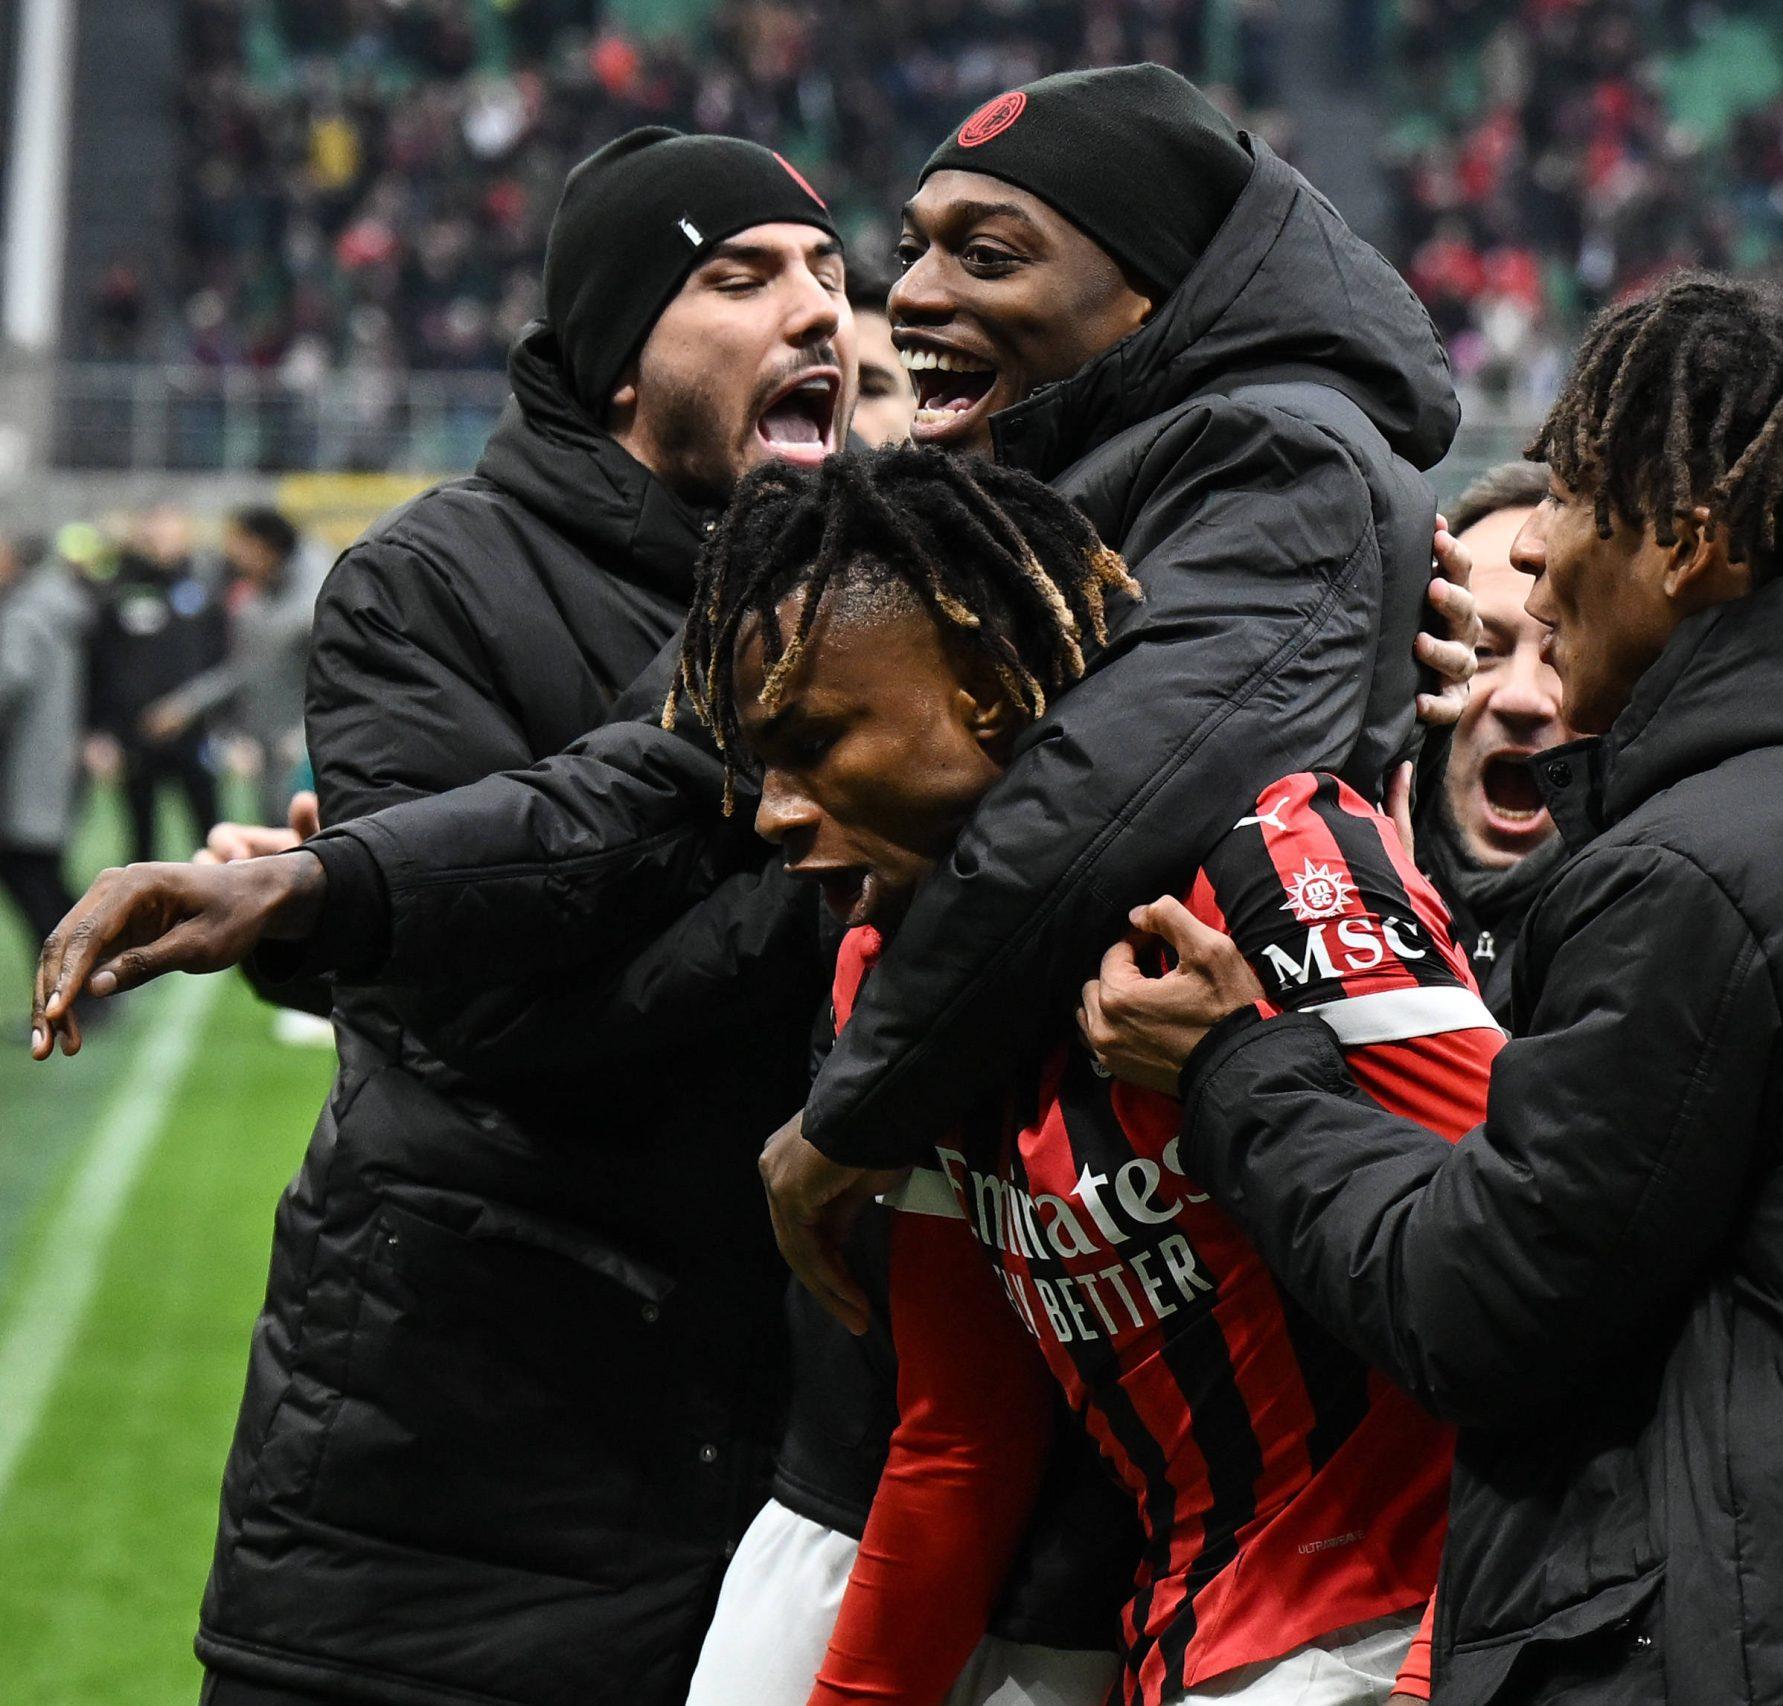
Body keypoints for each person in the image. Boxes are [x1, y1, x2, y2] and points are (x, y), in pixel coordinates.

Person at [33, 65, 1473, 1352]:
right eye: (900, 255)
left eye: (974, 255)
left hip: (1171, 1300)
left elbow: (1087, 809)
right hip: (551, 1380)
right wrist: (327, 887)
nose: (885, 303)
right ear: (612, 356)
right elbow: (632, 798)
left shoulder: (1264, 461)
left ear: (1153, 290)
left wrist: (854, 1104)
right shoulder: (444, 582)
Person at [1082, 273, 1783, 1704]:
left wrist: (1237, 1068)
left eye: (1581, 507)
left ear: (1686, 542)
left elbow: (1475, 1304)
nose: (1541, 561)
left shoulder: (1713, 866)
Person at [175, 128, 854, 1706]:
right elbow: (474, 1006)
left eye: (831, 274)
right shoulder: (425, 585)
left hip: (751, 1482)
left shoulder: (874, 588)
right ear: (618, 363)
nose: (817, 310)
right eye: (742, 277)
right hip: (438, 1507)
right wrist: (827, 881)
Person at [684, 447, 1497, 1706]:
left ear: (992, 699)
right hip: (1182, 1648)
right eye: (760, 762)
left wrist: (1440, 1677)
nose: (772, 810)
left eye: (816, 741)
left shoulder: (1274, 872)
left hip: (1395, 1631)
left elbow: (1550, 1286)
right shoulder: (887, 987)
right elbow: (963, 1434)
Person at [1402, 460, 1571, 1019]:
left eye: (1560, 651)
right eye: (1482, 651)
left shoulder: (1659, 921)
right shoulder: (1324, 869)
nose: (1521, 698)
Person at [142, 507, 327, 827]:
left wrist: (303, 734)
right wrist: (186, 704)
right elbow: (243, 668)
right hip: (269, 748)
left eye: (238, 546)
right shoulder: (254, 605)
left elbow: (340, 678)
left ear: (262, 546)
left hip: (311, 754)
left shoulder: (318, 599)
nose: (231, 558)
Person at [87, 505, 226, 862]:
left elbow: (222, 664)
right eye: (154, 533)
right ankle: (150, 917)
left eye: (170, 532)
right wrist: (101, 732)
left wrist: (200, 712)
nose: (162, 541)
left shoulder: (205, 589)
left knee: (212, 834)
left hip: (193, 732)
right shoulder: (118, 593)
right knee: (141, 843)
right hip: (137, 735)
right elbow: (101, 668)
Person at [0, 532, 95, 943]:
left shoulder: (25, 614)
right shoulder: (54, 606)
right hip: (49, 765)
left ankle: (83, 981)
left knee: (32, 879)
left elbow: (9, 682)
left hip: (27, 771)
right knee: (40, 878)